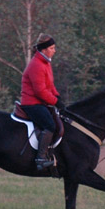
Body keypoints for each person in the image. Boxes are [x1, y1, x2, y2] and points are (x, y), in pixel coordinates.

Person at [20, 33, 65, 170]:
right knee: (49, 125)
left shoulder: (45, 63)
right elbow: (40, 91)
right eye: (52, 48)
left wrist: (58, 97)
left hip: (41, 103)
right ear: (44, 49)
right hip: (32, 104)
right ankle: (40, 159)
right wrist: (55, 101)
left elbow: (49, 86)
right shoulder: (37, 65)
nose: (54, 50)